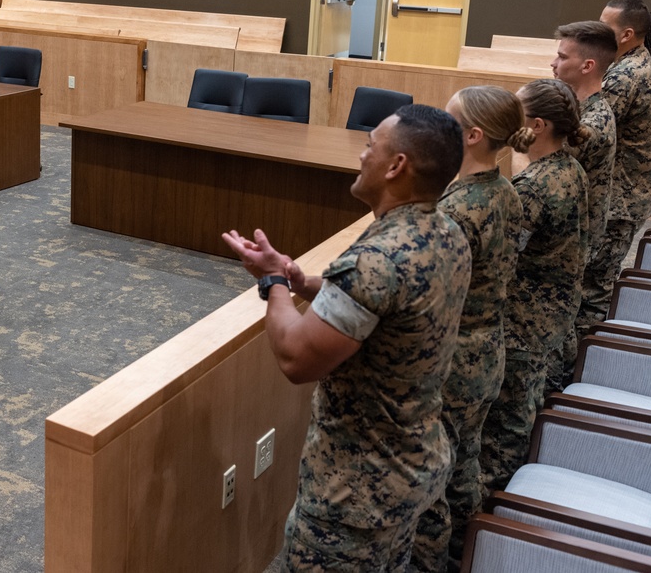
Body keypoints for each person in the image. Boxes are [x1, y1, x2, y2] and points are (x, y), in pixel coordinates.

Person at [222, 104, 471, 572]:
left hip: (357, 492)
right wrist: (302, 280)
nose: (361, 156)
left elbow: (296, 358)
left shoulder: (378, 259)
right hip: (412, 465)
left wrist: (272, 282)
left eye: (369, 146)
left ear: (397, 166)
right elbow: (386, 305)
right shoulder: (445, 232)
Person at [410, 87, 531, 573]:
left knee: (430, 479)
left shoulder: (457, 210)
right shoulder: (504, 191)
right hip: (486, 351)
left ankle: (430, 563)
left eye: (448, 117)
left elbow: (427, 297)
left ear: (472, 135)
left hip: (454, 359)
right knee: (463, 459)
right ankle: (466, 550)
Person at [479, 79, 589, 493]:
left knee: (507, 426)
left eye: (517, 112)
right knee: (524, 405)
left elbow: (498, 260)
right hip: (551, 312)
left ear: (538, 125)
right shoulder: (569, 167)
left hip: (525, 320)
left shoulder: (535, 188)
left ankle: (493, 511)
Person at [586, 0, 651, 329]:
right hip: (623, 198)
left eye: (606, 26)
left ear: (627, 34)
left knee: (592, 288)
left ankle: (574, 370)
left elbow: (593, 132)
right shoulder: (637, 64)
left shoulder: (627, 74)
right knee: (595, 283)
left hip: (616, 202)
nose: (597, 30)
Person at [550, 20, 619, 390]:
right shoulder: (582, 108)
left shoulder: (591, 122)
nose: (553, 63)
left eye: (562, 57)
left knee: (556, 325)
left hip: (570, 242)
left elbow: (540, 166)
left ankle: (556, 398)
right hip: (569, 234)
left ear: (587, 65)